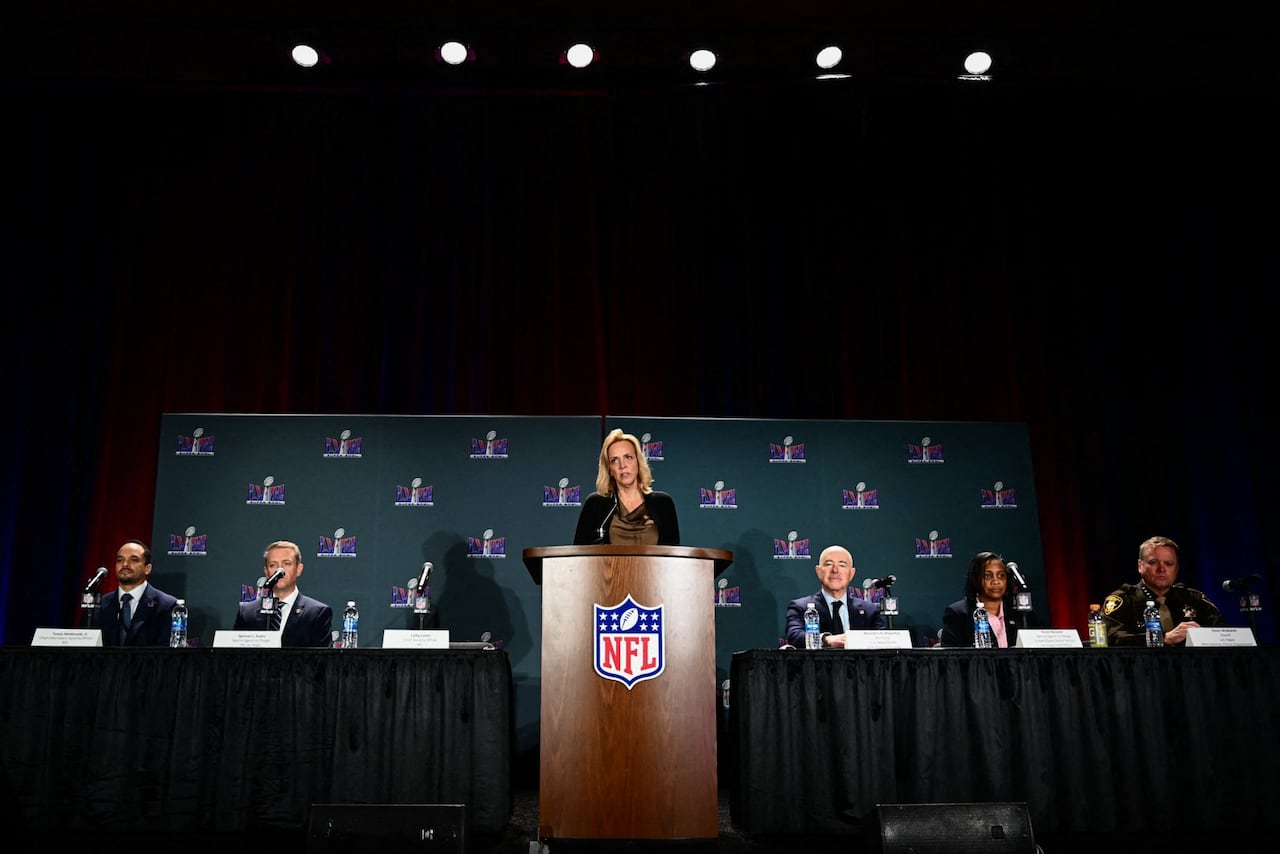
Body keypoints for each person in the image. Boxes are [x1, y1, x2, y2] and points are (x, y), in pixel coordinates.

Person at [1102, 535, 1224, 646]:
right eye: (1153, 562)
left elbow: (1223, 634)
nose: (1162, 569)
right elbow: (1113, 639)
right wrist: (1162, 639)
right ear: (1140, 566)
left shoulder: (1194, 599)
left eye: (1169, 563)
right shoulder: (1123, 601)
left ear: (1176, 568)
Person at [573, 428, 680, 546]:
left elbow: (673, 556)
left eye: (628, 457)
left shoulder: (663, 504)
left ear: (638, 462)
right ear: (609, 469)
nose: (622, 465)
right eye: (614, 460)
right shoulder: (596, 505)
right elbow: (579, 555)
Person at [234, 540, 334, 647]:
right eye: (273, 565)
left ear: (299, 569)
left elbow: (323, 660)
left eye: (286, 564)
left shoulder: (317, 613)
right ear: (266, 572)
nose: (280, 570)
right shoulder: (247, 613)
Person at [784, 544, 886, 647]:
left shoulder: (869, 610)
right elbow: (794, 636)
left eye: (842, 565)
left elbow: (883, 642)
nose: (835, 570)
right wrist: (825, 640)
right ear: (819, 572)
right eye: (829, 564)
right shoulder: (801, 607)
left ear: (851, 573)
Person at [939, 550, 1037, 647]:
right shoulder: (959, 614)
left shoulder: (1021, 613)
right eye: (988, 576)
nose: (996, 581)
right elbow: (950, 659)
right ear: (976, 579)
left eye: (1001, 576)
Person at [97, 539, 179, 646]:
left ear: (147, 569)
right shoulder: (100, 605)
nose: (125, 564)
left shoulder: (166, 606)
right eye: (120, 560)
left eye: (134, 560)